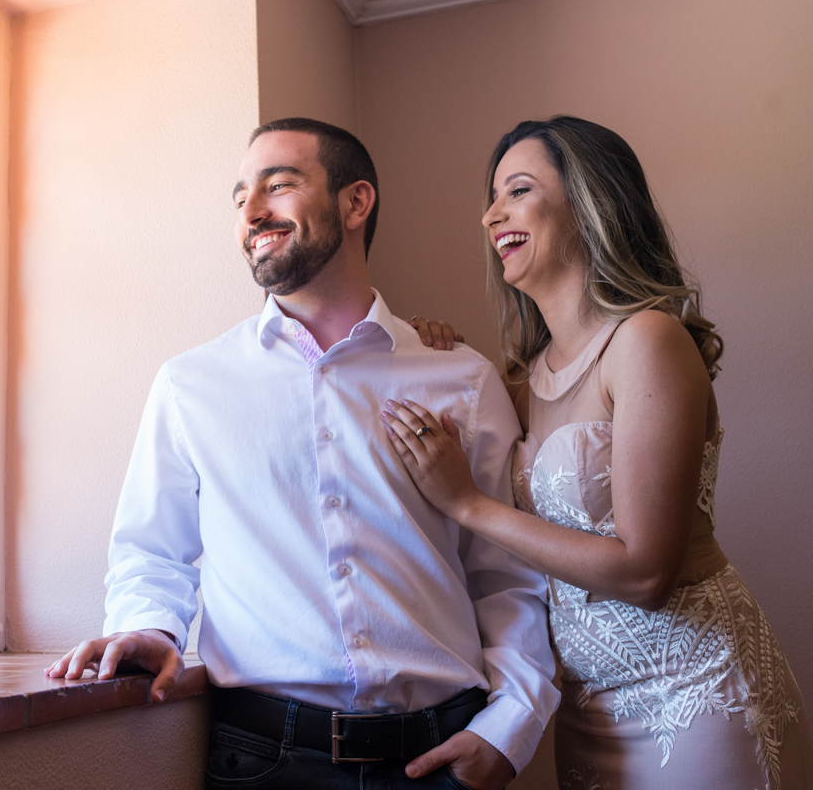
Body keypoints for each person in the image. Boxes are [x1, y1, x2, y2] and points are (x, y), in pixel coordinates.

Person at [47, 118, 559, 789]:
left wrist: (510, 726)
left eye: (278, 185)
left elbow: (509, 576)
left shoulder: (461, 376)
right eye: (240, 199)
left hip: (441, 756)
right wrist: (150, 628)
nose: (252, 212)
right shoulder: (189, 385)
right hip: (264, 761)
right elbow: (151, 552)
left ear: (355, 203)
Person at [383, 116, 813, 789]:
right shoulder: (524, 379)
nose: (492, 214)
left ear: (588, 206)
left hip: (692, 697)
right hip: (588, 716)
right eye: (492, 197)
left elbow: (647, 572)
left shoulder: (647, 340)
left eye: (518, 190)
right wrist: (420, 349)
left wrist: (467, 503)